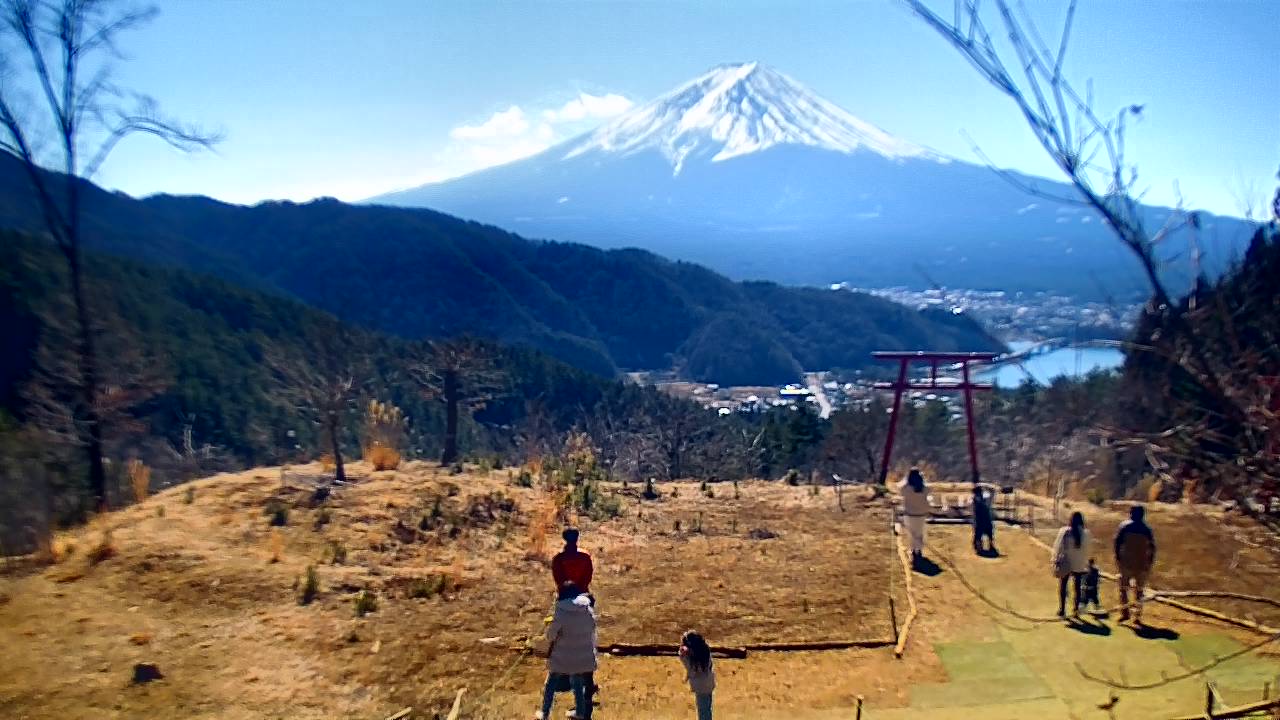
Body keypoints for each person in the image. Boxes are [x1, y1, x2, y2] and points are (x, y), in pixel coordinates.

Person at [536, 582, 597, 720]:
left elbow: (551, 636)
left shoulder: (561, 611)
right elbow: (592, 629)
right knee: (578, 684)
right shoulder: (587, 610)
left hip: (561, 656)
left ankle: (545, 713)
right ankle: (580, 713)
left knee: (550, 684)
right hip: (582, 656)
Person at [1114, 505, 1156, 623]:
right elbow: (1152, 547)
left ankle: (1125, 612)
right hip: (1142, 564)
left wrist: (1118, 558)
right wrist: (1150, 562)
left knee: (1123, 589)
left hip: (1126, 563)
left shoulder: (1124, 526)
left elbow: (1117, 543)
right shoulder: (1147, 529)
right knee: (1139, 591)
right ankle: (1137, 615)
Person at [1051, 511, 1091, 617]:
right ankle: (1076, 609)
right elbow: (1087, 549)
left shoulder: (1064, 531)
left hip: (1066, 562)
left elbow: (1058, 547)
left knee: (1063, 586)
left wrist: (1055, 559)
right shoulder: (1086, 533)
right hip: (1079, 563)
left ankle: (1062, 609)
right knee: (1077, 587)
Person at [679, 630, 715, 720]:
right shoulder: (705, 652)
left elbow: (689, 667)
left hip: (700, 687)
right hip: (709, 683)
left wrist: (683, 652)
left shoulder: (688, 658)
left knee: (703, 712)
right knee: (707, 709)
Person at [898, 468, 931, 563]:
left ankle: (913, 551)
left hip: (909, 513)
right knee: (919, 533)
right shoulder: (924, 488)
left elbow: (899, 487)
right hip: (921, 514)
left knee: (912, 534)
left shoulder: (905, 488)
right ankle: (918, 550)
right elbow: (929, 490)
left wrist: (905, 479)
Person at [552, 528, 594, 596]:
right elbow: (588, 576)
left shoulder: (559, 558)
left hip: (564, 594)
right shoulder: (585, 556)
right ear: (577, 538)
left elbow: (558, 578)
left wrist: (566, 588)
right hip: (582, 592)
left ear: (564, 539)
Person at [972, 485, 995, 553]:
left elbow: (992, 492)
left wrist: (985, 486)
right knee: (979, 535)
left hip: (985, 519)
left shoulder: (984, 498)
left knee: (988, 534)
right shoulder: (976, 499)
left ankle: (989, 546)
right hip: (981, 520)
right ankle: (979, 547)